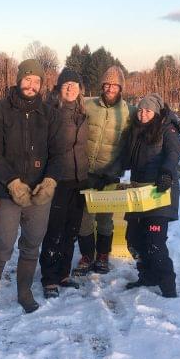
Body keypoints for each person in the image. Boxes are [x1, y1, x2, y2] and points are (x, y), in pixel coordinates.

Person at [0, 59, 62, 314]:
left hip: (39, 194)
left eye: (36, 81)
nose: (31, 85)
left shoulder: (50, 114)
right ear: (18, 80)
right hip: (6, 192)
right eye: (27, 79)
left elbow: (59, 154)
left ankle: (24, 292)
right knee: (3, 245)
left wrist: (50, 180)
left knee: (32, 244)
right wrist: (12, 182)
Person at [73, 66, 134, 275]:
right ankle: (87, 255)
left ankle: (102, 256)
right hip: (86, 174)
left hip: (109, 174)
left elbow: (150, 115)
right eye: (106, 84)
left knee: (105, 220)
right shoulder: (89, 105)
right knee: (84, 219)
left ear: (120, 88)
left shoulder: (128, 111)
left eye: (114, 85)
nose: (109, 88)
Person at [122, 93, 180, 298]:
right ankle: (147, 275)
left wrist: (166, 173)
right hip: (139, 191)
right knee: (133, 239)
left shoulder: (168, 129)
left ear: (156, 113)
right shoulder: (137, 130)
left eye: (147, 110)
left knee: (154, 242)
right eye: (140, 110)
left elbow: (173, 154)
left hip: (160, 191)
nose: (142, 114)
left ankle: (168, 286)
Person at [38, 68, 88, 298]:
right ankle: (49, 278)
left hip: (79, 180)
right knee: (54, 230)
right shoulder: (50, 112)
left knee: (71, 230)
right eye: (66, 84)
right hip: (58, 180)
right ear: (59, 88)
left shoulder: (83, 112)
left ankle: (63, 273)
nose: (70, 88)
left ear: (80, 90)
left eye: (74, 85)